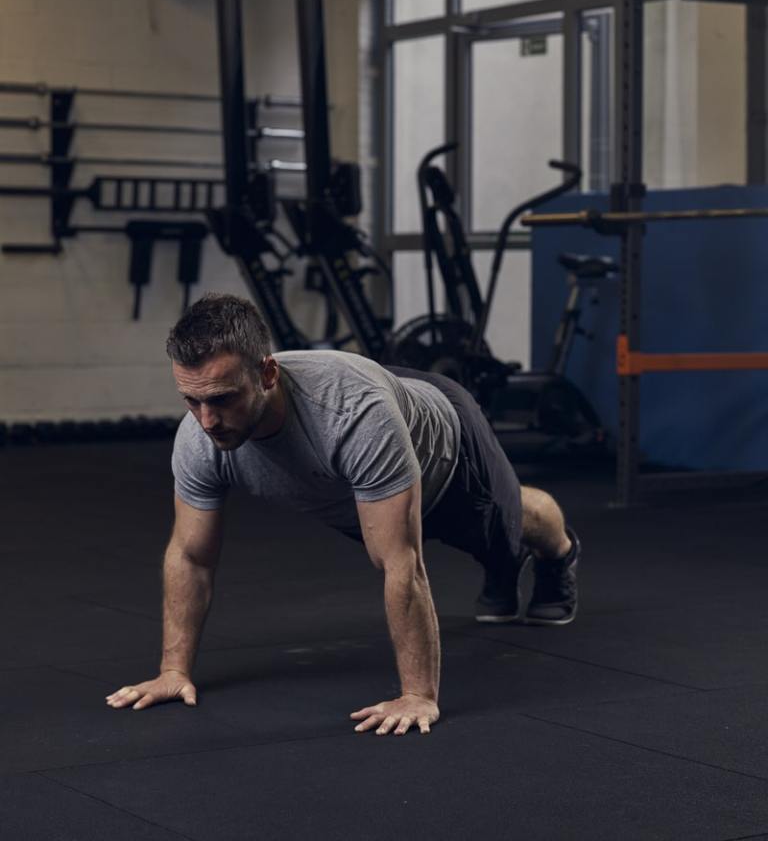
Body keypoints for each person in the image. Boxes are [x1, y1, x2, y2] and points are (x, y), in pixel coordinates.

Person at [106, 293, 580, 736]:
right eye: (192, 400)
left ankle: (558, 557)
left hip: (448, 454)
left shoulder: (352, 415)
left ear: (267, 375)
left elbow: (400, 562)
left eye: (223, 399)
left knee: (512, 524)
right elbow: (191, 556)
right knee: (467, 544)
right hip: (362, 479)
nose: (207, 420)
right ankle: (500, 565)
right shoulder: (198, 438)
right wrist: (173, 671)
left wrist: (418, 696)